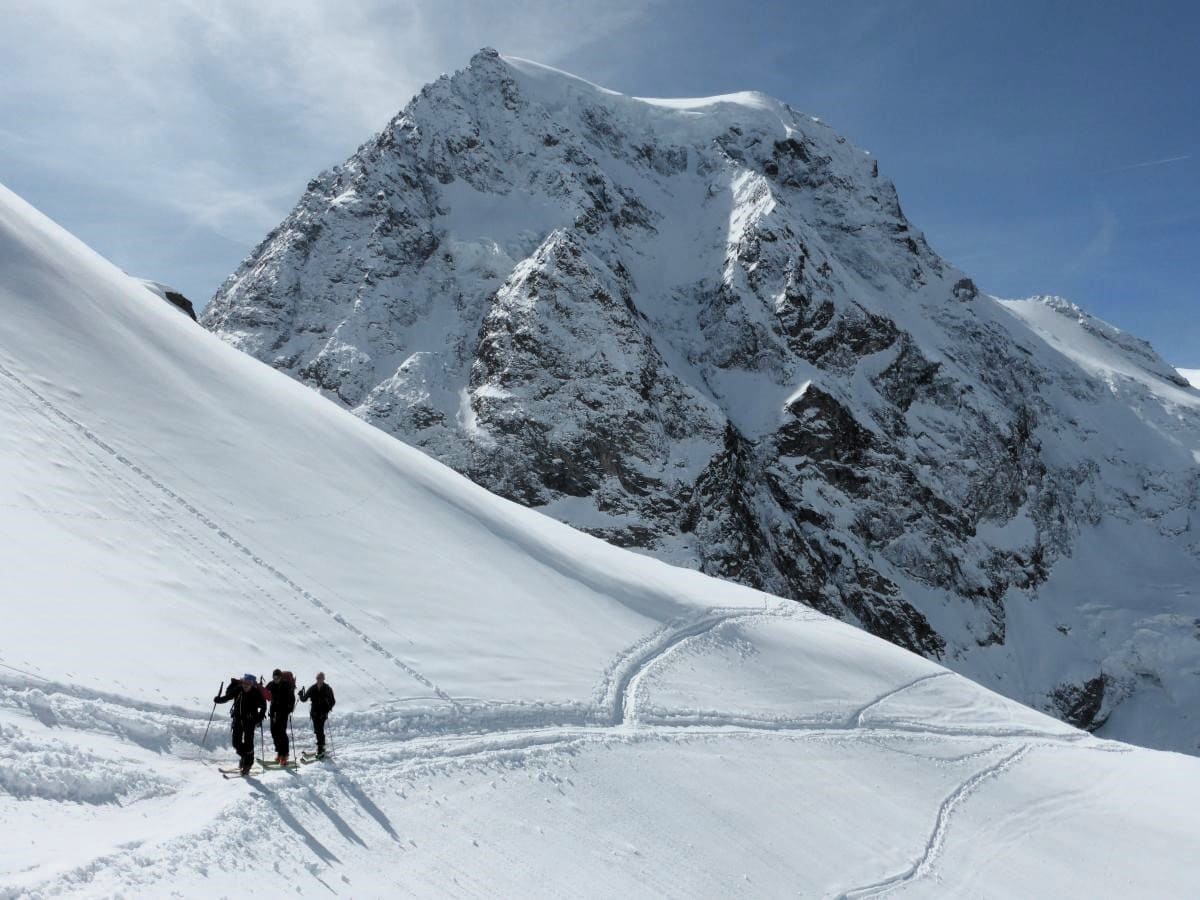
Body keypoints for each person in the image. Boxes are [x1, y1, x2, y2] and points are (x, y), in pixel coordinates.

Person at [214, 673, 267, 775]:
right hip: (238, 720)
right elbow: (228, 697)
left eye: (248, 683)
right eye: (244, 682)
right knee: (236, 743)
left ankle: (247, 765)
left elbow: (263, 706)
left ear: (252, 684)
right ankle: (245, 757)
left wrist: (258, 718)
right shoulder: (239, 689)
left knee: (248, 743)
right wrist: (219, 700)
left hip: (250, 722)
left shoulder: (256, 693)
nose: (245, 685)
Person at [298, 671, 336, 758]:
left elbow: (333, 701)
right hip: (314, 713)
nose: (318, 679)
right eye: (317, 678)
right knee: (317, 730)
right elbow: (304, 699)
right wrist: (301, 695)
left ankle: (321, 748)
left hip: (322, 713)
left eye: (320, 678)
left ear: (323, 679)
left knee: (319, 730)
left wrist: (327, 710)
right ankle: (321, 746)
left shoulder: (327, 688)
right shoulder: (313, 688)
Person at [268, 668, 297, 765]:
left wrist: (289, 709)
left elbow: (292, 698)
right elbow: (264, 692)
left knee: (281, 732)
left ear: (280, 677)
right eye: (274, 677)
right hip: (273, 712)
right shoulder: (271, 684)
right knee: (273, 731)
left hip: (283, 712)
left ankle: (285, 754)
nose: (275, 679)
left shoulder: (286, 685)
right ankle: (279, 752)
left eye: (277, 677)